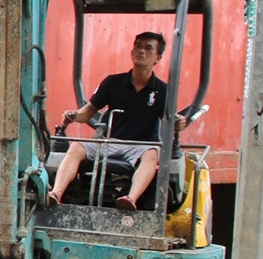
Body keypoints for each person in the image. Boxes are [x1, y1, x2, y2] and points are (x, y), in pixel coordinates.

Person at [47, 31, 182, 211]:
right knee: (76, 147)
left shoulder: (164, 91)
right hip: (108, 142)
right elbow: (87, 112)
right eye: (138, 46)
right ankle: (56, 193)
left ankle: (130, 198)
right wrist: (73, 116)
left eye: (148, 48)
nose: (141, 51)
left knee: (153, 154)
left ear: (157, 58)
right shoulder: (112, 83)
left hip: (141, 146)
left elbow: (172, 120)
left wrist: (180, 123)